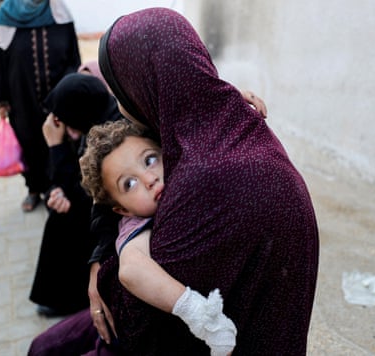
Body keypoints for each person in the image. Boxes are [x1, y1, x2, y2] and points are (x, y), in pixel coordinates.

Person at [96, 7, 319, 355]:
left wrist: (103, 272)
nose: (121, 106)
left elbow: (136, 322)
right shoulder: (237, 122)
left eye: (119, 90)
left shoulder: (200, 179)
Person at [79, 119, 237, 355]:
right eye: (129, 184)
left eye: (150, 160)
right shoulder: (134, 226)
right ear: (123, 210)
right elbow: (131, 270)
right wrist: (202, 317)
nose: (149, 178)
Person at [28, 71, 122, 316]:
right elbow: (71, 182)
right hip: (96, 206)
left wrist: (56, 146)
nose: (58, 123)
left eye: (63, 117)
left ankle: (69, 299)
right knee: (60, 210)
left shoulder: (108, 134)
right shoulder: (95, 121)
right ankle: (60, 295)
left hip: (114, 217)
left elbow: (89, 192)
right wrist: (57, 191)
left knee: (64, 219)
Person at [0, 0, 82, 212]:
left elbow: (73, 55)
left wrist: (72, 87)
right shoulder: (7, 14)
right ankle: (33, 188)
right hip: (21, 95)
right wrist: (1, 98)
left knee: (60, 140)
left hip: (57, 94)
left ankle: (57, 188)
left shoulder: (59, 11)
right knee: (28, 140)